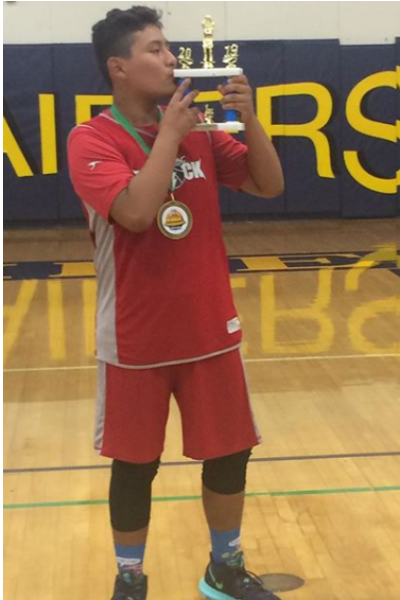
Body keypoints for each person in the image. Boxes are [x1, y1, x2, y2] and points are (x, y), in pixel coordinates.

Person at [68, 6, 284, 600]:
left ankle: (225, 567)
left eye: (170, 48)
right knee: (136, 466)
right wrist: (170, 134)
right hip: (136, 337)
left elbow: (269, 184)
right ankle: (130, 578)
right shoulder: (91, 139)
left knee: (230, 455)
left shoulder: (200, 129)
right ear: (119, 67)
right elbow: (138, 213)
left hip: (210, 327)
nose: (171, 59)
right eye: (156, 50)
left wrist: (249, 120)